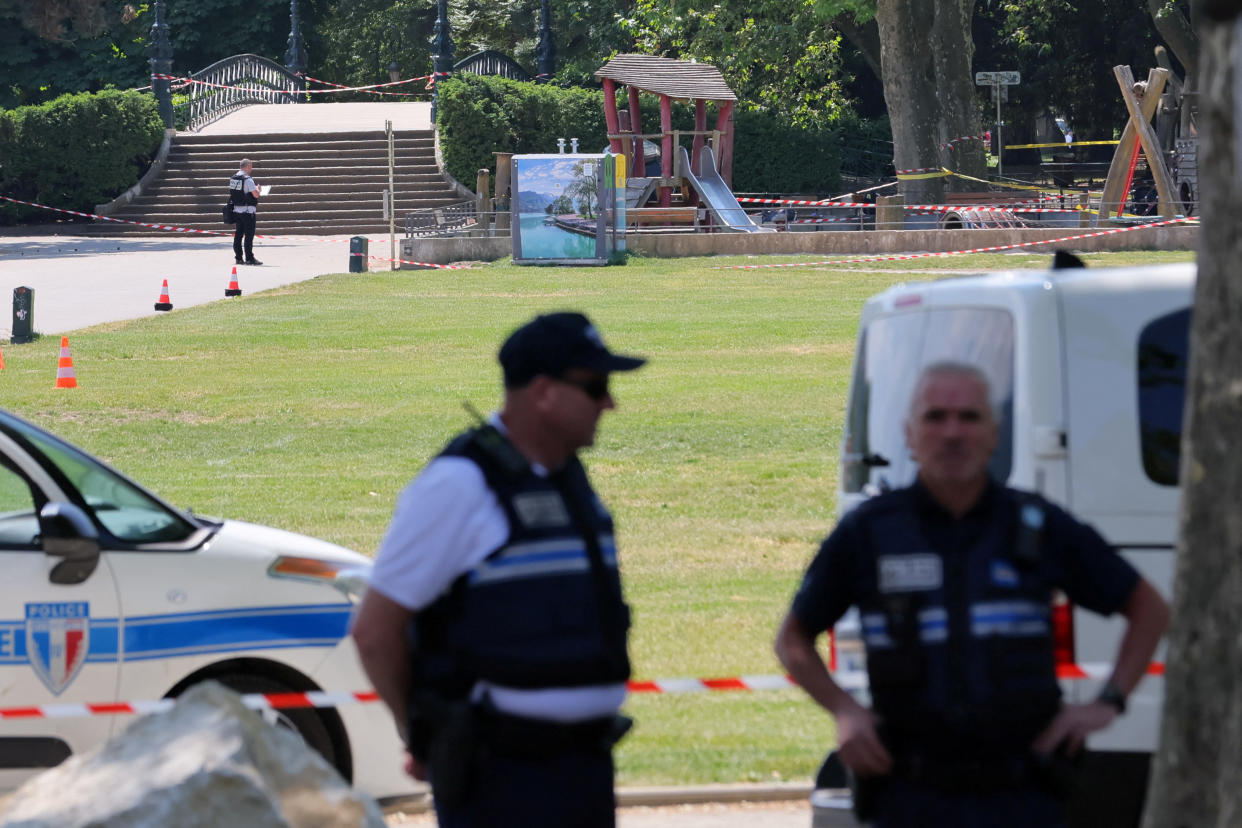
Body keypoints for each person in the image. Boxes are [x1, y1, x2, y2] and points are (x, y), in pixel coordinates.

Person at [775, 361, 1170, 828]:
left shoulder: (1037, 527)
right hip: (910, 796)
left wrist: (1107, 704)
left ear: (994, 434)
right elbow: (793, 639)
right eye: (936, 417)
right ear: (909, 434)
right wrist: (845, 712)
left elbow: (1148, 609)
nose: (952, 432)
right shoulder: (871, 533)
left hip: (1022, 798)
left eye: (969, 417)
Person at [351, 311, 646, 827]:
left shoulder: (564, 476)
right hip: (501, 779)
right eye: (596, 386)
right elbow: (376, 631)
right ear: (544, 392)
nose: (609, 402)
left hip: (583, 768)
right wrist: (424, 736)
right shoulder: (460, 485)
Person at [229, 158, 262, 265]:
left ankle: (238, 257)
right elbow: (255, 195)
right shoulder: (248, 179)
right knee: (249, 235)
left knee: (238, 234)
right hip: (248, 212)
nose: (251, 169)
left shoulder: (234, 178)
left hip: (237, 210)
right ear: (247, 166)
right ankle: (249, 258)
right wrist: (258, 189)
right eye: (251, 166)